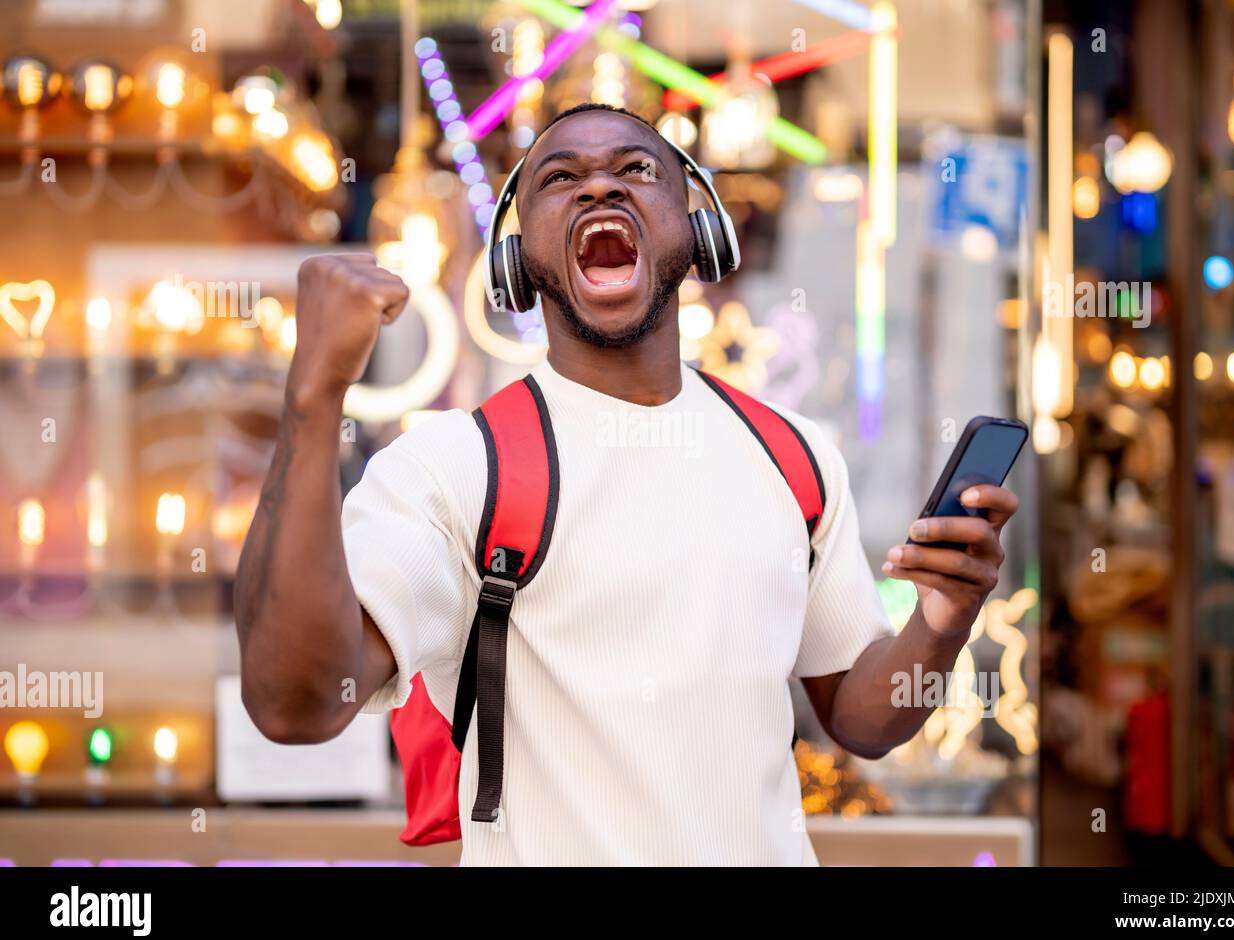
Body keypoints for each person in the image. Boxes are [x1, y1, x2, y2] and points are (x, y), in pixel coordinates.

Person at [234, 103, 1019, 865]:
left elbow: (861, 718)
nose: (599, 187)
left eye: (636, 169)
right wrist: (313, 396)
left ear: (697, 229)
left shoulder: (794, 454)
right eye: (559, 177)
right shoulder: (454, 467)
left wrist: (942, 622)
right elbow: (296, 706)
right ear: (516, 259)